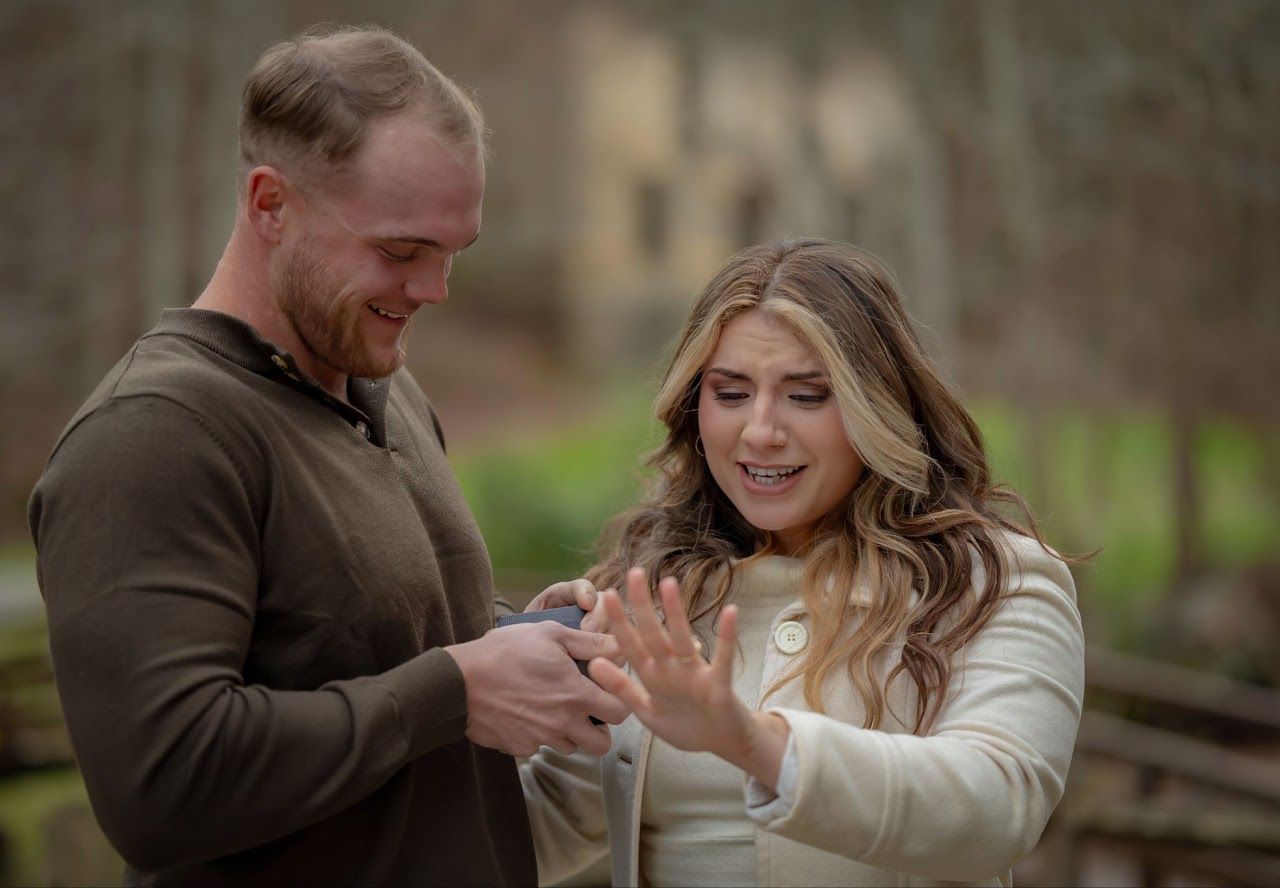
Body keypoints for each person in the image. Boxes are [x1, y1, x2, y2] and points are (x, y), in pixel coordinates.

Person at [27, 24, 627, 887]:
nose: (434, 291)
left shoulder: (386, 389)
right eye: (399, 252)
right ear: (271, 204)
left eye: (453, 254)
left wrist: (521, 639)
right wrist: (458, 688)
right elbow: (159, 790)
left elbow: (361, 644)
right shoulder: (153, 434)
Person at [519, 238, 1086, 887]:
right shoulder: (651, 589)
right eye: (730, 394)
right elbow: (531, 834)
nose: (760, 430)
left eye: (807, 396)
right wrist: (519, 703)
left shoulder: (996, 582)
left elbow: (996, 809)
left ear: (880, 405)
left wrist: (753, 741)